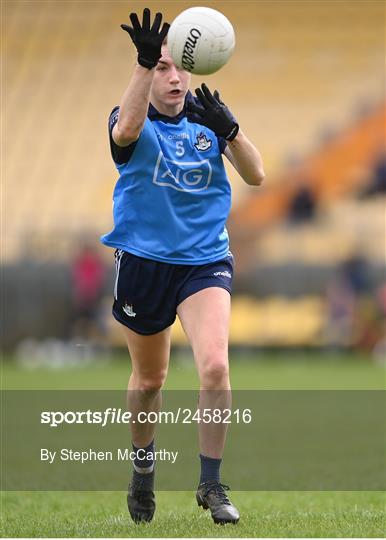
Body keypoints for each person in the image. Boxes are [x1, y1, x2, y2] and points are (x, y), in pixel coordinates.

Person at [101, 8, 265, 525]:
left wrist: (232, 132)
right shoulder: (129, 115)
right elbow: (125, 134)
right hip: (145, 264)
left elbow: (257, 175)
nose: (173, 78)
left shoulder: (207, 117)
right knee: (150, 380)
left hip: (204, 261)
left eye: (179, 68)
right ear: (150, 71)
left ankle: (212, 484)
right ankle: (143, 469)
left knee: (215, 365)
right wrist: (141, 62)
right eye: (162, 68)